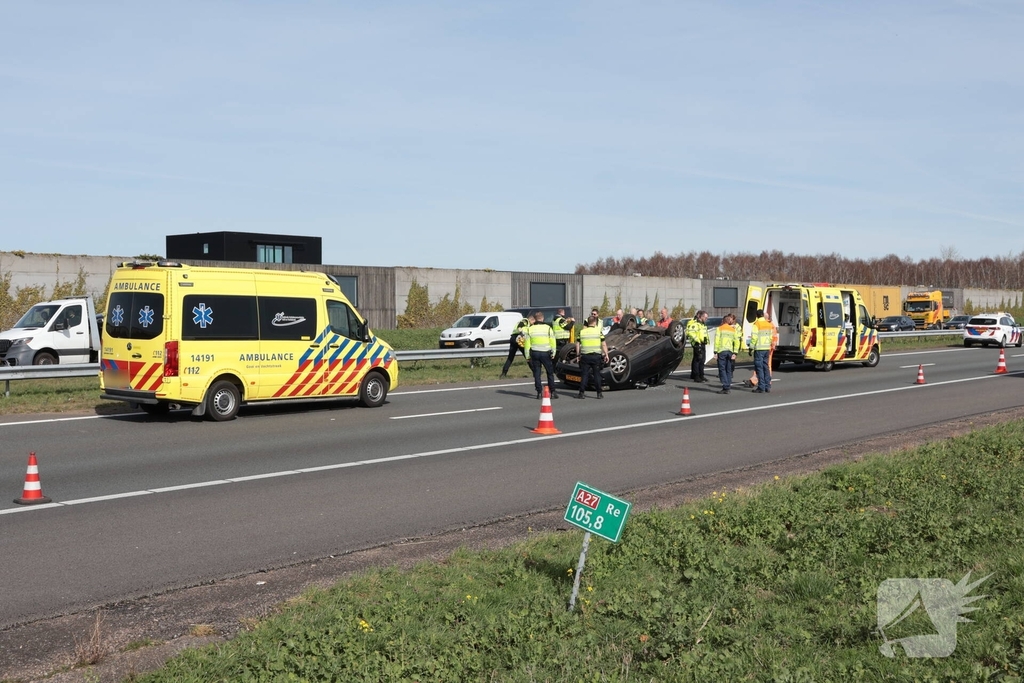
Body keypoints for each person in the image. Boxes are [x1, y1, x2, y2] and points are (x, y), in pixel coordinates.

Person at [524, 311, 559, 399]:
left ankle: (539, 392)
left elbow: (527, 344)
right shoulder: (548, 328)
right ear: (543, 318)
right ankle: (553, 391)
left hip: (535, 353)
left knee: (537, 373)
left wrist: (527, 356)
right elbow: (553, 341)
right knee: (550, 373)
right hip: (545, 353)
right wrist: (554, 352)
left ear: (535, 319)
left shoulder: (530, 329)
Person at [574, 315, 609, 399]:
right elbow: (603, 344)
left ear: (588, 322)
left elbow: (577, 344)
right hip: (596, 356)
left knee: (584, 375)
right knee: (597, 375)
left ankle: (581, 393)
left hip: (585, 356)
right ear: (595, 322)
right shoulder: (598, 332)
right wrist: (606, 354)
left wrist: (578, 355)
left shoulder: (582, 332)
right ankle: (599, 393)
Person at [713, 313, 741, 393]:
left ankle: (725, 387)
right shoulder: (733, 330)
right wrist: (735, 353)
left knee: (722, 369)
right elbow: (736, 341)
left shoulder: (719, 329)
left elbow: (717, 341)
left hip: (722, 351)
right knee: (728, 369)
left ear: (723, 321)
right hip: (730, 351)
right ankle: (728, 385)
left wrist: (715, 352)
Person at [749, 309, 775, 393]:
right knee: (766, 367)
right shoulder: (768, 324)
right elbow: (771, 337)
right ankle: (768, 386)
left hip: (759, 349)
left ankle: (761, 387)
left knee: (759, 368)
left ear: (756, 315)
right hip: (766, 348)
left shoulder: (756, 324)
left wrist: (751, 348)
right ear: (763, 315)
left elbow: (754, 338)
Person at [500, 313, 533, 378]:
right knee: (527, 356)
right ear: (531, 320)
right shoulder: (525, 321)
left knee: (510, 357)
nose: (533, 324)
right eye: (533, 322)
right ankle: (535, 371)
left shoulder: (525, 322)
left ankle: (504, 373)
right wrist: (522, 334)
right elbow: (519, 327)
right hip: (518, 338)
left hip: (513, 338)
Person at [686, 310, 710, 382]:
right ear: (701, 316)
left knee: (702, 359)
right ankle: (696, 376)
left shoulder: (702, 324)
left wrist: (706, 340)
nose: (706, 319)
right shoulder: (694, 323)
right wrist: (697, 341)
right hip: (697, 343)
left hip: (702, 343)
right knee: (698, 359)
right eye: (705, 317)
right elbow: (690, 332)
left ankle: (701, 375)